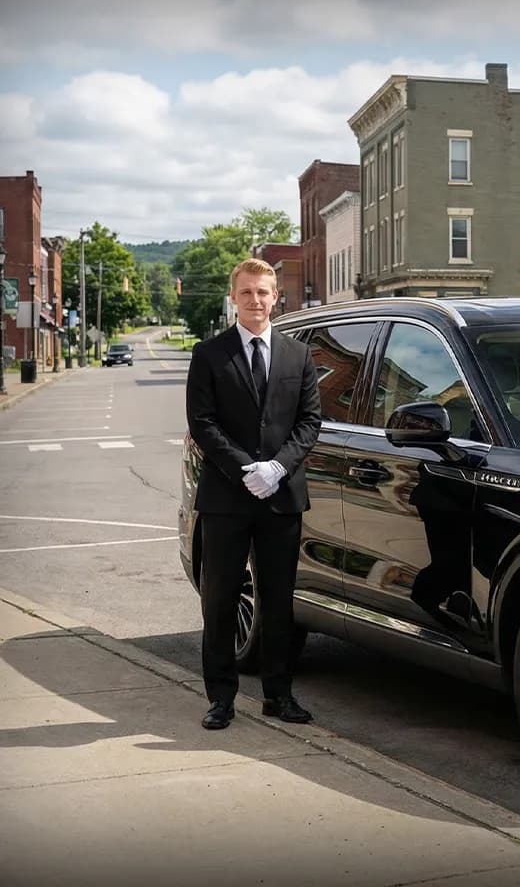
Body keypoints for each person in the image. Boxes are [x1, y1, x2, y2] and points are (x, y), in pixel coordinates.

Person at [185, 258, 321, 730]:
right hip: (226, 498)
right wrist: (247, 469)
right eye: (247, 292)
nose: (256, 301)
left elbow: (310, 422)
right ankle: (221, 698)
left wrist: (278, 466)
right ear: (234, 298)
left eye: (263, 292)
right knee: (220, 601)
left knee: (279, 600)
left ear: (275, 296)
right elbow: (202, 423)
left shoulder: (298, 355)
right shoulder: (209, 354)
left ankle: (278, 696)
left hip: (282, 498)